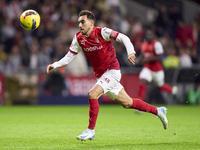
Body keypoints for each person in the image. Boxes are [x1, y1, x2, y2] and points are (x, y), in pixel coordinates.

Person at [46, 10, 168, 141]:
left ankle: (90, 130)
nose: (80, 25)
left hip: (112, 71)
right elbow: (69, 56)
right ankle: (158, 111)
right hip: (101, 76)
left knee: (92, 94)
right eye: (79, 22)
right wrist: (56, 64)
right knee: (128, 103)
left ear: (91, 23)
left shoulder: (102, 32)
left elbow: (124, 38)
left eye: (83, 22)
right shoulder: (78, 38)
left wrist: (131, 52)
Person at [136, 30, 178, 102]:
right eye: (148, 35)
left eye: (150, 35)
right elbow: (143, 55)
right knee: (142, 82)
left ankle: (173, 90)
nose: (149, 36)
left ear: (153, 36)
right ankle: (140, 103)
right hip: (148, 68)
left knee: (160, 86)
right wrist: (139, 60)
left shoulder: (157, 44)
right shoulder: (143, 44)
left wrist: (149, 59)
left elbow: (160, 57)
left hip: (157, 69)